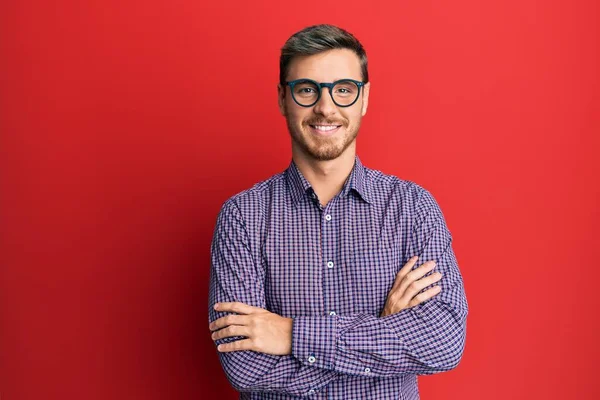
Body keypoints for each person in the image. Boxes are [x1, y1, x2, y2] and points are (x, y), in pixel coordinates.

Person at [208, 24, 468, 400]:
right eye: (307, 90)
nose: (326, 107)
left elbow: (443, 342)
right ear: (283, 99)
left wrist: (291, 335)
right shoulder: (242, 217)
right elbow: (245, 368)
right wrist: (382, 331)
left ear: (364, 99)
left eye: (343, 90)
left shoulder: (412, 207)